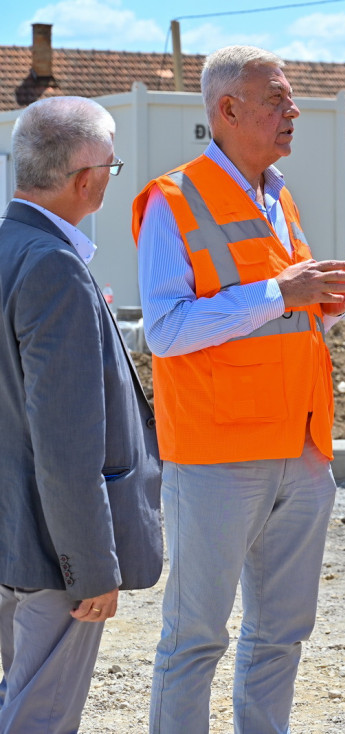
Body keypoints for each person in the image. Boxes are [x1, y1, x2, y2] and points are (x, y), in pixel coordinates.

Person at [132, 45, 345, 733]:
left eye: (290, 98)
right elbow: (166, 331)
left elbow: (270, 310)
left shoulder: (279, 193)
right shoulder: (172, 200)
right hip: (216, 453)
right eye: (277, 100)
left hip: (298, 445)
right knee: (194, 638)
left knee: (280, 636)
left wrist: (317, 300)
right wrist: (279, 292)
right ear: (227, 110)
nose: (292, 111)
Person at [0, 96, 163, 732]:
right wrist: (92, 567)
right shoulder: (55, 268)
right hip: (50, 557)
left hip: (12, 540)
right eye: (113, 167)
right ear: (86, 179)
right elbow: (67, 446)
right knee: (38, 718)